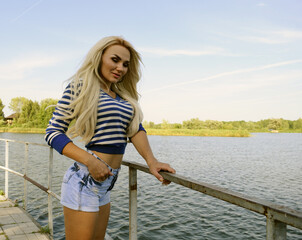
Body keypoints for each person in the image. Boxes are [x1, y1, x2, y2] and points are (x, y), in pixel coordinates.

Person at [45, 36, 176, 240]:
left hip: (106, 183)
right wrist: (91, 161)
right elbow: (53, 132)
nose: (120, 68)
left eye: (125, 64)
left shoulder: (123, 96)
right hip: (84, 180)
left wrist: (152, 161)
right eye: (114, 60)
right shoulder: (81, 87)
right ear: (99, 58)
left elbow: (135, 130)